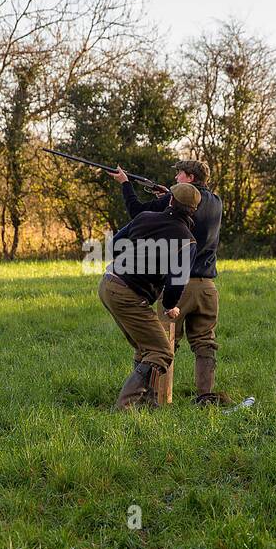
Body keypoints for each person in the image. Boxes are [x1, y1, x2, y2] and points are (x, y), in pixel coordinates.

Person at [108, 159, 228, 405]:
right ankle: (205, 396)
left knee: (158, 345)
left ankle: (154, 399)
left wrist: (125, 184)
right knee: (205, 342)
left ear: (190, 179)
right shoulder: (216, 202)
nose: (176, 179)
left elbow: (138, 213)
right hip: (207, 287)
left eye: (180, 175)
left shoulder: (173, 202)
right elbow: (188, 205)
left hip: (179, 285)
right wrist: (167, 195)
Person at [97, 183, 200, 409]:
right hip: (127, 295)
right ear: (193, 210)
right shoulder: (187, 240)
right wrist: (170, 306)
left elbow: (115, 246)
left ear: (170, 201)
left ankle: (149, 403)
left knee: (146, 347)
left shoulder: (145, 217)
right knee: (162, 351)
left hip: (107, 284)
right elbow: (176, 282)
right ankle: (125, 408)